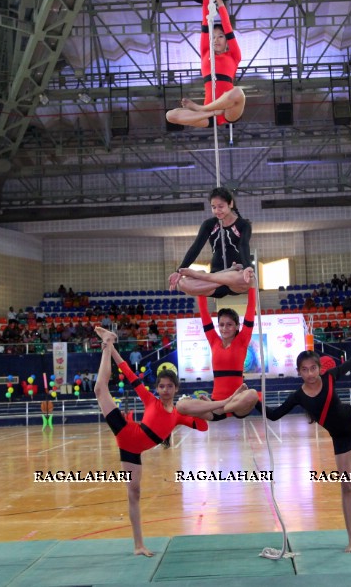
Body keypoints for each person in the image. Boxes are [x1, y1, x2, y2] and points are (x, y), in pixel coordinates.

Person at [259, 321, 351, 553]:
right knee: (348, 487)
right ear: (299, 372)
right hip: (341, 438)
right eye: (305, 370)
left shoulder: (331, 377)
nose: (310, 373)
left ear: (319, 368)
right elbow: (273, 415)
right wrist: (254, 400)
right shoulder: (298, 396)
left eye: (313, 368)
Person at [93, 327, 225, 556]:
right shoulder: (150, 400)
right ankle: (107, 343)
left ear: (176, 389)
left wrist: (203, 406)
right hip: (126, 432)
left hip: (132, 451)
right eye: (161, 386)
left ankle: (138, 545)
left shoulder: (179, 414)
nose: (165, 390)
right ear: (157, 388)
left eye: (169, 386)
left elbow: (203, 426)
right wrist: (112, 350)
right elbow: (126, 369)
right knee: (99, 389)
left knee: (134, 493)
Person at [176, 287, 260, 421]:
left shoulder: (242, 340)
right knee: (181, 405)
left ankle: (223, 407)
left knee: (253, 395)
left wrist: (251, 286)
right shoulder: (214, 341)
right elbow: (204, 313)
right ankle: (221, 406)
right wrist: (200, 287)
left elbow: (251, 308)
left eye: (229, 325)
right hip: (214, 404)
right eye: (221, 325)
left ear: (237, 326)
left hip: (236, 403)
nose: (224, 328)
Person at [166, 0, 245, 128]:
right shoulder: (205, 53)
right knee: (170, 115)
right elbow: (205, 20)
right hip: (209, 115)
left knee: (238, 92)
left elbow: (227, 26)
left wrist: (219, 1)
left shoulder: (234, 56)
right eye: (213, 37)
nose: (216, 40)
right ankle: (207, 111)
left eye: (221, 36)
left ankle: (202, 109)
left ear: (226, 40)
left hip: (227, 110)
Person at [168, 186, 253, 298]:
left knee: (246, 278)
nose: (217, 211)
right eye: (213, 207)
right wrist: (179, 271)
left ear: (230, 204)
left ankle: (204, 276)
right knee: (183, 283)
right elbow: (196, 247)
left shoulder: (243, 225)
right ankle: (211, 277)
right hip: (214, 282)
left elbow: (243, 245)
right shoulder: (209, 224)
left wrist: (247, 266)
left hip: (235, 279)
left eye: (220, 207)